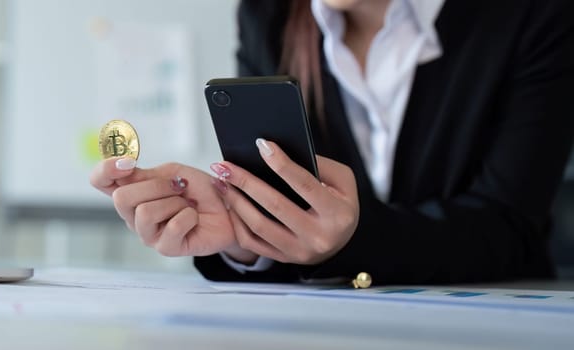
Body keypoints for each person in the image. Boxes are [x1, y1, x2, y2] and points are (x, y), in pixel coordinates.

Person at [90, 0, 574, 284]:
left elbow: (509, 226)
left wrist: (351, 238)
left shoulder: (535, 16)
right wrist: (241, 234)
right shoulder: (269, 14)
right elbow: (288, 218)